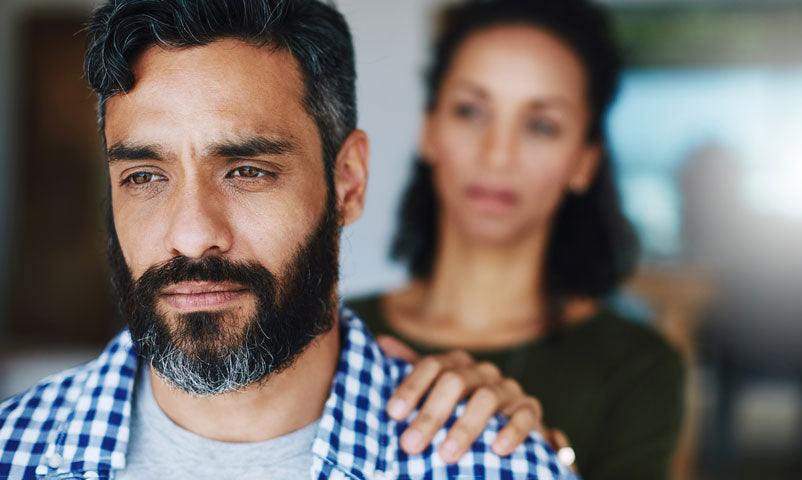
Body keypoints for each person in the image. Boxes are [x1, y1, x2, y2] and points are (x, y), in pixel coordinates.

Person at [0, 1, 573, 478]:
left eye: (247, 171)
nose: (193, 235)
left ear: (347, 182)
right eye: (145, 177)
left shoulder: (501, 466)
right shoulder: (12, 452)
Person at [347, 1, 686, 478]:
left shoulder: (638, 368)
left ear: (584, 161)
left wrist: (543, 458)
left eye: (541, 125)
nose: (497, 154)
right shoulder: (334, 331)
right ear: (430, 130)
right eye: (470, 111)